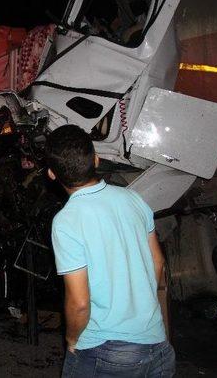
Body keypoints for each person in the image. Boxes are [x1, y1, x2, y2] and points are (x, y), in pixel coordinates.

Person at [45, 125, 174, 378]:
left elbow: (80, 303)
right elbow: (158, 264)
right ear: (95, 159)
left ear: (51, 174)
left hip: (106, 353)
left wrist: (71, 339)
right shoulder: (134, 199)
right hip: (158, 348)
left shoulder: (66, 220)